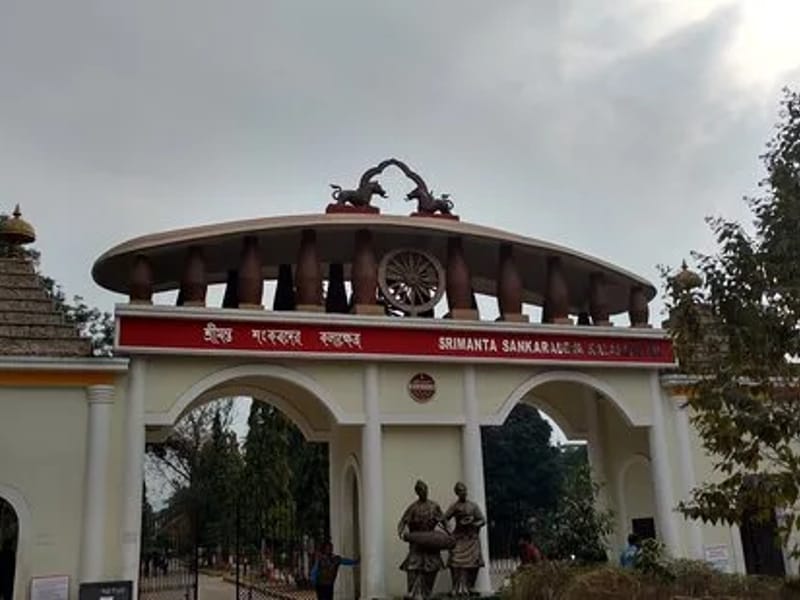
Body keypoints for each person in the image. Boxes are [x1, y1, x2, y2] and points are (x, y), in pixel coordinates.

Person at [398, 480, 446, 600]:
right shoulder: (413, 508)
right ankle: (412, 592)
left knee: (432, 567)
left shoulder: (434, 506)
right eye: (421, 491)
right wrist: (401, 532)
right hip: (417, 544)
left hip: (431, 543)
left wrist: (449, 533)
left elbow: (444, 521)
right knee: (412, 567)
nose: (424, 492)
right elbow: (403, 521)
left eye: (425, 490)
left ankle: (427, 593)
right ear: (417, 492)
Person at [443, 482, 486, 596]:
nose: (464, 493)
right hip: (459, 537)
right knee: (454, 560)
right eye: (461, 491)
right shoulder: (455, 506)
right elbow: (444, 518)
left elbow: (482, 520)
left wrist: (474, 523)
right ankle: (456, 587)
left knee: (474, 563)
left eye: (465, 490)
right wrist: (449, 530)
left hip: (471, 538)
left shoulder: (473, 506)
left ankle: (470, 586)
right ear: (457, 493)